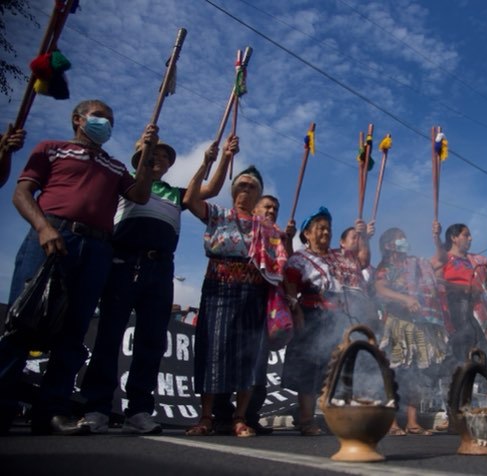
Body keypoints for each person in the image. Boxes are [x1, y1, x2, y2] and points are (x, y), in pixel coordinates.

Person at [0, 99, 154, 435]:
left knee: (73, 332)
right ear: (78, 119)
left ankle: (51, 411)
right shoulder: (51, 149)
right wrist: (43, 228)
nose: (106, 124)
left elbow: (140, 195)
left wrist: (145, 157)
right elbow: (22, 193)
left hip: (98, 247)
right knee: (23, 322)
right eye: (100, 117)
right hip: (54, 237)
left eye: (111, 120)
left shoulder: (114, 167)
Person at [79, 137, 234, 435]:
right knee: (109, 335)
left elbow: (210, 190)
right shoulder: (125, 184)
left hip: (160, 268)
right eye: (154, 154)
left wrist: (215, 160)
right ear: (140, 156)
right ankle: (96, 406)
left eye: (165, 156)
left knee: (151, 341)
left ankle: (138, 410)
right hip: (123, 264)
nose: (159, 159)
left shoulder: (175, 194)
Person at [182, 150, 287, 438]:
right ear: (232, 190)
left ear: (259, 194)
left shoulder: (267, 229)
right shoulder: (218, 214)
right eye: (241, 185)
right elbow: (190, 200)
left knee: (248, 356)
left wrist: (286, 239)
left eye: (252, 186)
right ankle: (206, 417)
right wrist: (209, 163)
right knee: (213, 351)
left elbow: (279, 264)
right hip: (218, 288)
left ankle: (240, 418)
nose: (246, 190)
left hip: (253, 292)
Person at [281, 207, 373, 436]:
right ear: (307, 234)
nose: (326, 232)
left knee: (336, 370)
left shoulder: (338, 256)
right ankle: (306, 420)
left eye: (328, 228)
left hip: (339, 318)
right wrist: (295, 310)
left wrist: (365, 238)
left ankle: (338, 418)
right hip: (312, 315)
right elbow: (291, 287)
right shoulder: (299, 259)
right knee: (309, 370)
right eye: (320, 228)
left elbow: (361, 260)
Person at [212, 194, 296, 436]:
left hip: (263, 304)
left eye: (276, 208)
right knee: (230, 357)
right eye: (267, 206)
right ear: (255, 208)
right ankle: (222, 415)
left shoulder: (277, 235)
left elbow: (286, 266)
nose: (272, 211)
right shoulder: (243, 228)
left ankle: (250, 415)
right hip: (237, 298)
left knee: (257, 362)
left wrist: (288, 239)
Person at [375, 224, 449, 436]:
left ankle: (413, 422)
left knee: (416, 373)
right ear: (389, 245)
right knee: (396, 373)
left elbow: (441, 259)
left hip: (418, 323)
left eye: (405, 237)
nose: (404, 241)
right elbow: (380, 288)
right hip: (397, 323)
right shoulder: (386, 266)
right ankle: (391, 422)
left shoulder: (417, 263)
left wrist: (437, 237)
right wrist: (405, 298)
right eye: (400, 238)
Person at [435, 223, 487, 365]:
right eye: (466, 235)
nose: (470, 238)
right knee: (464, 351)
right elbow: (437, 282)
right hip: (457, 309)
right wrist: (464, 288)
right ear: (454, 238)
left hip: (478, 311)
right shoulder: (444, 259)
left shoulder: (476, 261)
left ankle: (484, 384)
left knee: (486, 355)